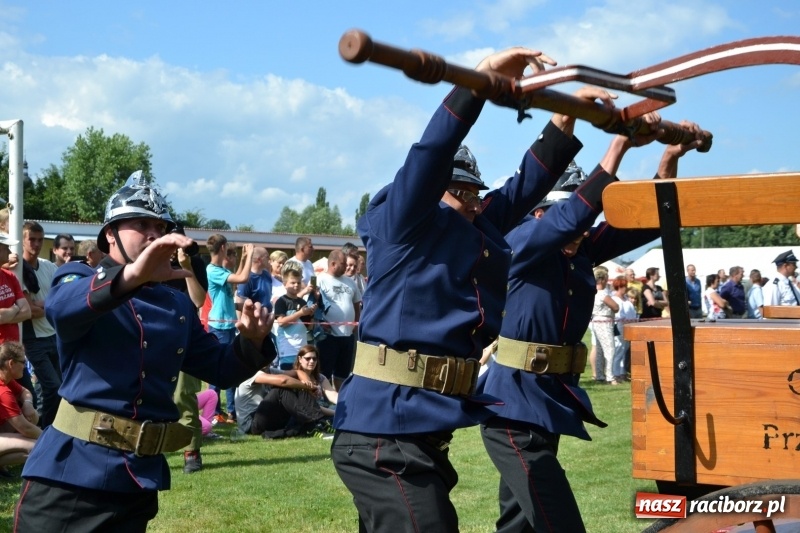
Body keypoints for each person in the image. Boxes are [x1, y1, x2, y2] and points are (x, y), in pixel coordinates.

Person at [331, 45, 589, 533]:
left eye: (475, 192)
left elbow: (520, 190)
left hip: (417, 436)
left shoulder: (469, 231)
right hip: (381, 437)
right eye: (460, 192)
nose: (473, 203)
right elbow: (430, 154)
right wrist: (480, 81)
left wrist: (564, 124)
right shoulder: (402, 224)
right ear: (432, 193)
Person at [476, 116, 705, 532]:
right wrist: (619, 144)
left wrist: (669, 158)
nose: (582, 232)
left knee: (520, 523)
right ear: (541, 212)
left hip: (547, 403)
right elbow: (569, 221)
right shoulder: (522, 241)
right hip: (512, 411)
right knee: (559, 521)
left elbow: (643, 221)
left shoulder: (577, 250)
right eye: (573, 218)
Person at [14, 172, 276, 531]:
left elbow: (220, 368)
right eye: (141, 224)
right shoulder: (79, 274)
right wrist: (132, 276)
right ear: (110, 234)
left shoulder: (174, 301)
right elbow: (62, 308)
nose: (155, 233)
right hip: (71, 478)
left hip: (137, 480)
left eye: (161, 225)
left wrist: (254, 341)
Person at [164, 222, 210, 474]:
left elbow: (198, 300)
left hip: (185, 334)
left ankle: (191, 451)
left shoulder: (195, 263)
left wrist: (186, 268)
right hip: (155, 334)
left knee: (183, 394)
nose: (175, 247)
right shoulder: (151, 262)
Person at [206, 234, 254, 423]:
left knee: (230, 368)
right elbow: (242, 279)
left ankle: (230, 412)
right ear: (223, 247)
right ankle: (214, 413)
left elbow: (236, 280)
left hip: (227, 326)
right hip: (218, 327)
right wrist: (249, 254)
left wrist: (242, 260)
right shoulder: (212, 270)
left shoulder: (220, 270)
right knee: (218, 370)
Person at [20, 221, 61, 428]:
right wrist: (51, 304)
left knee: (58, 389)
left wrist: (42, 305)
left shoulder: (49, 266)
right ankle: (42, 431)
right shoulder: (18, 270)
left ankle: (48, 432)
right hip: (33, 339)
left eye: (40, 239)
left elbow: (62, 298)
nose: (36, 244)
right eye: (31, 239)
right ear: (22, 241)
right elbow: (28, 312)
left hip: (55, 335)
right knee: (51, 387)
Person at [251, 345, 335, 439]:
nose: (311, 361)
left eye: (314, 359)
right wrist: (309, 387)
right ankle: (316, 424)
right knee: (280, 390)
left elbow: (298, 372)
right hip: (252, 422)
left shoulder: (320, 377)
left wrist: (307, 384)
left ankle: (318, 423)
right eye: (308, 358)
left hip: (274, 417)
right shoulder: (251, 373)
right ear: (300, 359)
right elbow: (284, 381)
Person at [316, 250, 361, 389]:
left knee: (343, 373)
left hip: (347, 335)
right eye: (343, 264)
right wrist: (319, 322)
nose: (346, 266)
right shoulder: (320, 279)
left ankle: (339, 401)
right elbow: (313, 304)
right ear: (333, 263)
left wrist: (355, 324)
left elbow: (356, 304)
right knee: (325, 372)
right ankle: (324, 401)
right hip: (328, 336)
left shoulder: (350, 282)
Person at [0, 342, 40, 474]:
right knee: (37, 447)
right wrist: (51, 438)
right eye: (23, 362)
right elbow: (26, 428)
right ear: (11, 363)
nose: (25, 366)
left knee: (32, 415)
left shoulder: (6, 379)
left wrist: (27, 403)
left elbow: (25, 392)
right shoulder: (3, 391)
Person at [274, 261, 317, 370]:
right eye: (293, 283)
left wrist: (311, 314)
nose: (296, 285)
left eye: (298, 283)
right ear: (284, 284)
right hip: (287, 349)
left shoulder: (302, 302)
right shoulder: (281, 301)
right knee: (288, 378)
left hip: (302, 349)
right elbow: (281, 322)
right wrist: (300, 313)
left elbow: (310, 326)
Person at [0, 233, 32, 344]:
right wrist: (15, 308)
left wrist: (5, 316)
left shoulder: (10, 276)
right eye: (6, 248)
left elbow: (27, 312)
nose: (10, 253)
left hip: (13, 348)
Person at [591, 267, 619, 384]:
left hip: (596, 320)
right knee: (610, 349)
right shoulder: (603, 294)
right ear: (602, 279)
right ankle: (610, 376)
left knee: (600, 349)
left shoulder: (593, 293)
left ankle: (599, 374)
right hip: (605, 321)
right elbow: (616, 307)